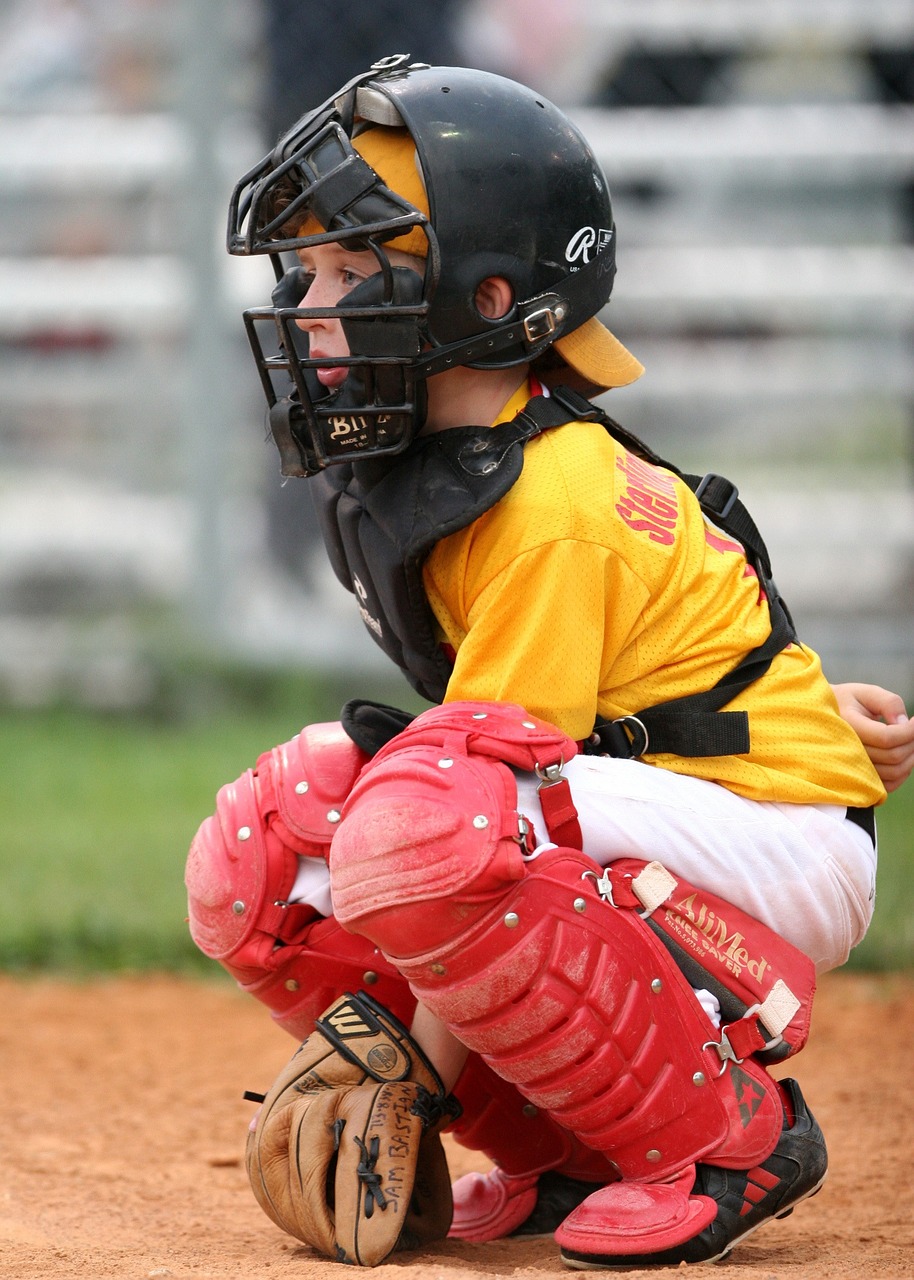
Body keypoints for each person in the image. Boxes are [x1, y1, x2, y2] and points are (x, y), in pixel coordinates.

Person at [187, 55, 914, 1268]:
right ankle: (562, 1150)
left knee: (427, 811)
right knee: (266, 841)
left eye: (351, 269)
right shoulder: (463, 473)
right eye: (305, 269)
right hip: (690, 792)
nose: (309, 303)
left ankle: (725, 1135)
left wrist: (405, 1072)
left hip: (775, 827)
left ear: (484, 295)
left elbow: (478, 800)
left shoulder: (545, 502)